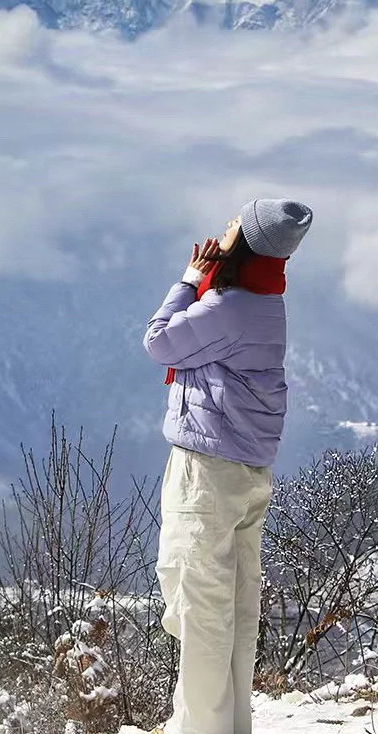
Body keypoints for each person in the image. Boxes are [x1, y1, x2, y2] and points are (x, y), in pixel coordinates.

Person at [142, 198, 313, 734]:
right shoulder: (265, 302)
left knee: (200, 604)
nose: (224, 228)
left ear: (246, 240)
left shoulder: (227, 306)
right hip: (246, 469)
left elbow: (159, 343)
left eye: (234, 223)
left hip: (207, 470)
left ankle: (202, 729)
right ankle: (229, 723)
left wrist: (189, 279)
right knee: (235, 604)